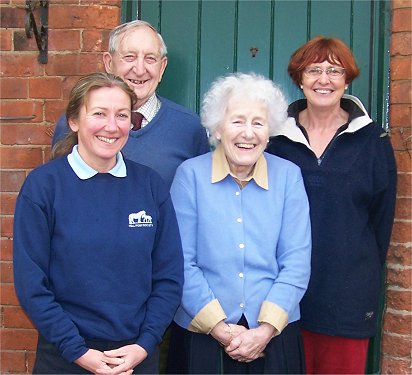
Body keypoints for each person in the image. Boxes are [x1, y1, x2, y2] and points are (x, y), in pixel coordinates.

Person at [13, 72, 184, 375]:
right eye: (99, 114)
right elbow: (31, 284)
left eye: (121, 115)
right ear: (74, 121)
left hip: (135, 357)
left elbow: (168, 277)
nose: (111, 126)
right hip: (65, 357)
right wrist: (77, 351)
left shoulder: (150, 186)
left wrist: (145, 344)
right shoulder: (43, 187)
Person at [266, 36, 397, 374]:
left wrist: (355, 267)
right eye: (314, 70)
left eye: (334, 71)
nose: (324, 79)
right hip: (280, 296)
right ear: (299, 78)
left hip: (346, 298)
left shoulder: (373, 141)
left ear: (347, 79)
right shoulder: (274, 140)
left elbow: (380, 223)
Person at [168, 72, 312, 374]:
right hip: (202, 334)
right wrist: (220, 328)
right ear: (218, 128)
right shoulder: (190, 176)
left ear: (269, 130)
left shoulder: (288, 177)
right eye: (237, 121)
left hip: (273, 335)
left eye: (258, 123)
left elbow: (297, 260)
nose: (248, 133)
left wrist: (264, 331)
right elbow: (180, 260)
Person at [52, 20, 210, 189]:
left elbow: (203, 192)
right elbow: (59, 188)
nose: (140, 69)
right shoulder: (78, 123)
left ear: (162, 67)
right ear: (108, 62)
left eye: (150, 59)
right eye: (129, 57)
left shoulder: (189, 127)